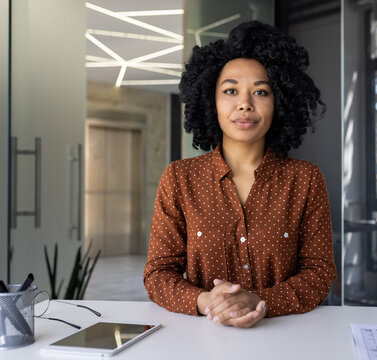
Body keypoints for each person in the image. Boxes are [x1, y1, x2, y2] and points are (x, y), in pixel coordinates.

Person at [143, 21, 336, 328]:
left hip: (288, 340)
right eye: (230, 91)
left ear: (279, 103)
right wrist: (209, 302)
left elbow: (319, 273)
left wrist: (261, 302)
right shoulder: (179, 179)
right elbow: (158, 274)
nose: (244, 104)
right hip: (200, 341)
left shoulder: (306, 179)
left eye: (260, 92)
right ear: (211, 100)